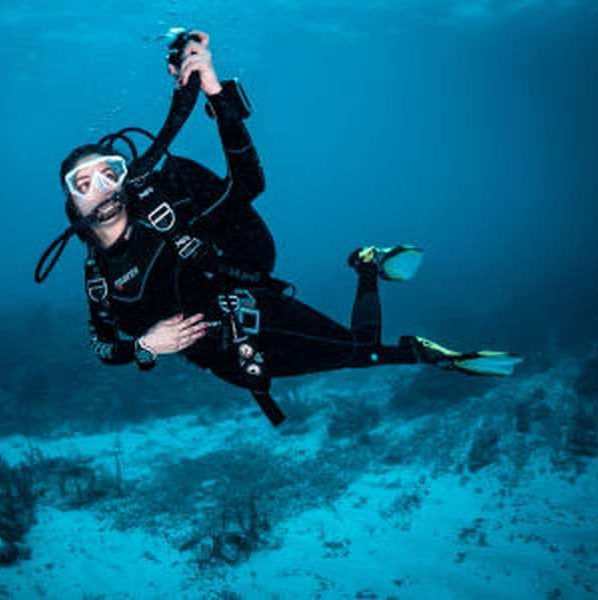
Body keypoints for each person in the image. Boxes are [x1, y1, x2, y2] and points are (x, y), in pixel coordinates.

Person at [36, 30, 522, 427]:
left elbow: (249, 183)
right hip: (222, 359)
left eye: (110, 171)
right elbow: (103, 346)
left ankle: (390, 301)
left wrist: (214, 93)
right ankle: (374, 277)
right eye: (83, 182)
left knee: (360, 353)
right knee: (353, 354)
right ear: (71, 202)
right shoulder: (96, 274)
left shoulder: (165, 199)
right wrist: (146, 347)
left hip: (251, 308)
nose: (101, 186)